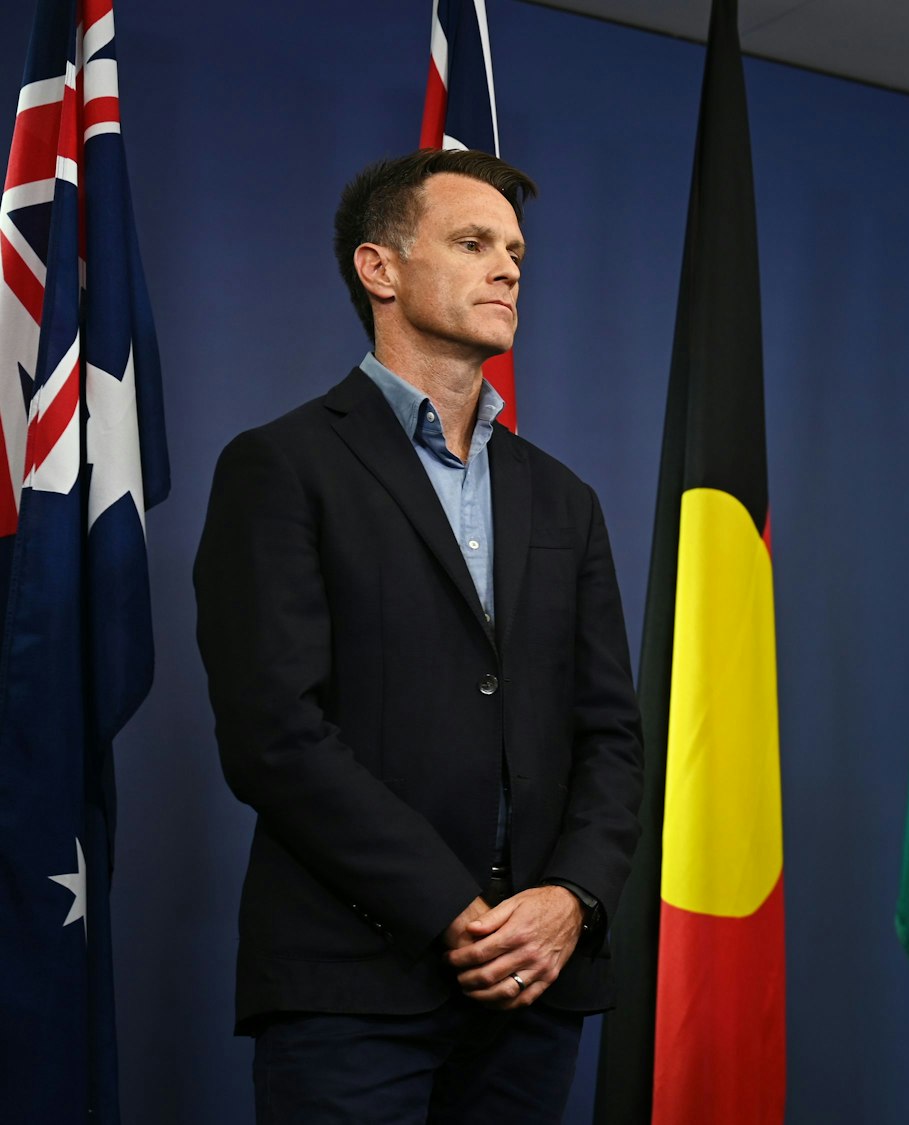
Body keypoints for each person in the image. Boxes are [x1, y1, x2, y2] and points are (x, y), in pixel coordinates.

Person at [193, 149, 644, 1123]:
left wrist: (571, 900)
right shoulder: (280, 467)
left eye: (516, 250)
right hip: (350, 986)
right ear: (380, 269)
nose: (510, 268)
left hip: (536, 990)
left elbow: (610, 736)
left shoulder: (564, 498)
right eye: (474, 242)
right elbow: (275, 734)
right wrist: (453, 911)